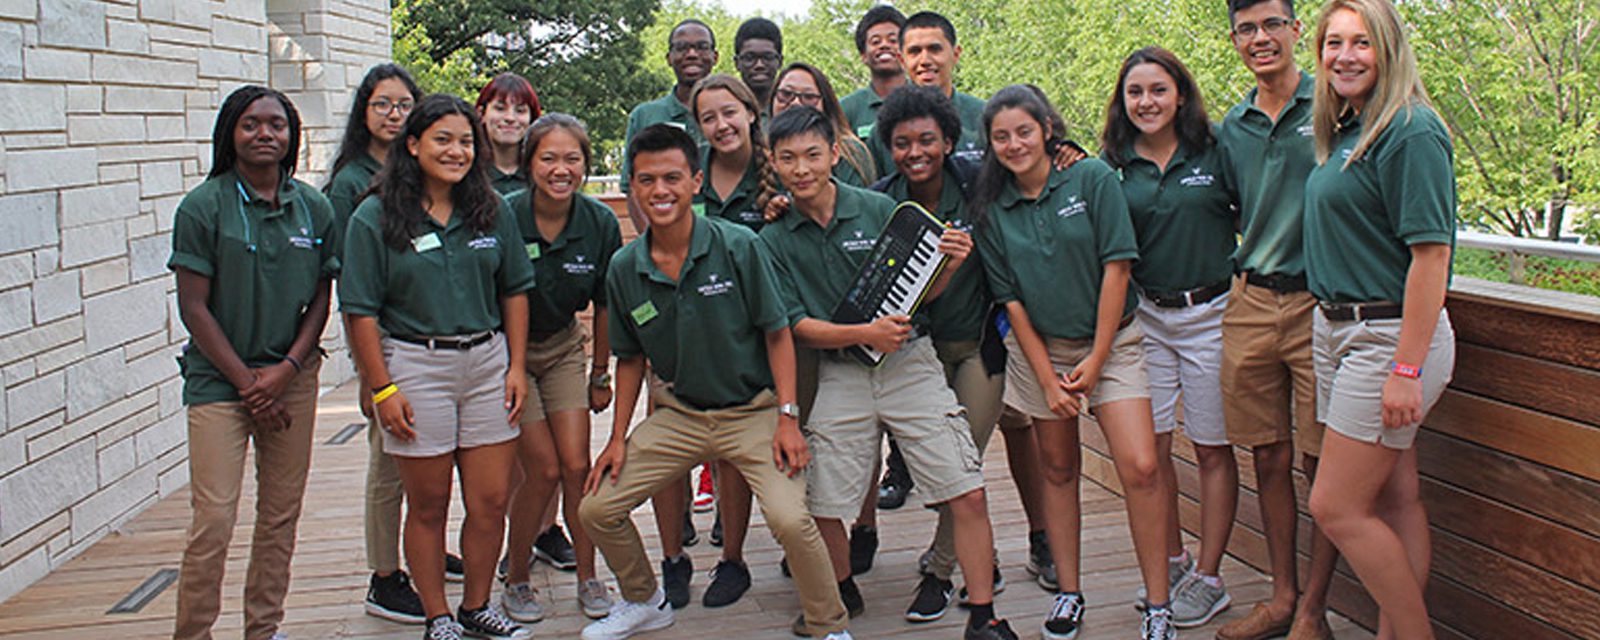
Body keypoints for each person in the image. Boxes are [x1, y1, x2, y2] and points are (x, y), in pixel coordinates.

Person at [576, 123, 852, 640]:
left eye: (673, 178)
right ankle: (645, 598)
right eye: (647, 180)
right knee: (597, 507)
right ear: (631, 187)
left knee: (792, 520)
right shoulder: (625, 267)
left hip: (754, 412)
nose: (661, 191)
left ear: (696, 182)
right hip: (680, 413)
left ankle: (829, 625)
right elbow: (631, 358)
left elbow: (778, 333)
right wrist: (616, 439)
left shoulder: (738, 246)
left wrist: (787, 418)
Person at [759, 106, 1017, 640]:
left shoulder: (882, 210)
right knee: (824, 501)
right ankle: (841, 590)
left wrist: (946, 266)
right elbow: (793, 325)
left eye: (812, 154)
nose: (802, 168)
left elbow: (919, 296)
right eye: (788, 158)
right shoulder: (773, 238)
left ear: (835, 154)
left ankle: (983, 615)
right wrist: (862, 335)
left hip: (909, 363)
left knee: (965, 487)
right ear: (774, 163)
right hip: (839, 372)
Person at [971, 85, 1175, 640]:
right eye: (1001, 137)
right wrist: (1047, 378)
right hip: (1042, 352)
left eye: (1024, 131)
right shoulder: (992, 208)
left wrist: (1098, 357)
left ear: (1047, 130)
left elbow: (1118, 266)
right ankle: (1069, 593)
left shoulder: (1090, 180)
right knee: (1057, 470)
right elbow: (1010, 303)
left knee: (1142, 467)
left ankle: (1159, 604)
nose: (1014, 144)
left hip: (1115, 344)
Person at [340, 94, 536, 640]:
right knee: (428, 503)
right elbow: (359, 309)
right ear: (412, 145)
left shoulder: (490, 208)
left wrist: (516, 366)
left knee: (491, 499)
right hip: (414, 366)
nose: (457, 151)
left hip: (486, 364)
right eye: (443, 139)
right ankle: (437, 617)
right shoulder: (374, 214)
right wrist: (381, 388)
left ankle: (476, 607)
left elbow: (515, 290)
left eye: (466, 141)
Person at [1303, 1, 1456, 638]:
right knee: (1393, 497)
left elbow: (1432, 255)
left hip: (1387, 337)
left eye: (1361, 42)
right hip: (1339, 329)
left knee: (1335, 505)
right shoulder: (1350, 129)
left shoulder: (1411, 131)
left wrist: (1405, 369)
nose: (1344, 56)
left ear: (1388, 49)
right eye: (1333, 42)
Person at [169, 85, 339, 640]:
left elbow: (321, 297)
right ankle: (193, 633)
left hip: (290, 378)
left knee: (280, 514)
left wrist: (286, 371)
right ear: (230, 133)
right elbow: (193, 306)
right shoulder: (203, 206)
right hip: (220, 382)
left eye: (277, 124)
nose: (265, 134)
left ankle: (263, 629)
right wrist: (248, 383)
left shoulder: (313, 207)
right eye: (251, 124)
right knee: (214, 519)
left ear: (292, 136)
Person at [1101, 46, 1240, 629]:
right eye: (1135, 92)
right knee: (1151, 452)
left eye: (1158, 90)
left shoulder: (1215, 151)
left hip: (1212, 313)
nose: (1147, 102)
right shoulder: (1114, 164)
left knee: (1211, 447)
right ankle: (1175, 558)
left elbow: (1255, 212)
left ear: (1180, 93)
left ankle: (1210, 577)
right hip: (1146, 322)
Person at [1213, 1, 1340, 638]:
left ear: (1296, 29)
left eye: (1271, 25)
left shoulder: (1335, 103)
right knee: (1267, 456)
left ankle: (1314, 612)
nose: (1259, 38)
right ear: (1234, 39)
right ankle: (1282, 596)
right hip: (1251, 302)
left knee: (1324, 467)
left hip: (1322, 302)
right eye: (1246, 29)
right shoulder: (1228, 126)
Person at [869, 84, 1015, 624]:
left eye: (927, 140)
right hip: (919, 351)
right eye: (903, 143)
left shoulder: (980, 184)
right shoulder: (883, 202)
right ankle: (982, 556)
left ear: (949, 141)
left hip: (980, 346)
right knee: (945, 468)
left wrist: (1066, 147)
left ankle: (939, 568)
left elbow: (1038, 156)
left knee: (964, 464)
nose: (916, 153)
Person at [322, 63, 441, 625]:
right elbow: (354, 285)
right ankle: (384, 575)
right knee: (388, 460)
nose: (393, 115)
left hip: (427, 338)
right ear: (363, 112)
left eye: (402, 105)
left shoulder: (419, 171)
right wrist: (371, 374)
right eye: (382, 104)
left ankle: (422, 552)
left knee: (424, 455)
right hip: (385, 341)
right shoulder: (352, 182)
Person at [498, 113, 622, 622]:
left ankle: (591, 577)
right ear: (529, 164)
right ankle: (518, 575)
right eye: (548, 157)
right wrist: (507, 366)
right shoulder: (504, 214)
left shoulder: (599, 222)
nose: (561, 168)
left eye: (572, 158)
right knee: (542, 469)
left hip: (566, 348)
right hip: (511, 356)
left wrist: (600, 372)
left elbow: (607, 303)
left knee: (576, 465)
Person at [620, 19, 718, 233]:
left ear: (715, 57)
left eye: (701, 47)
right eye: (681, 48)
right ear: (669, 58)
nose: (692, 54)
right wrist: (654, 243)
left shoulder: (727, 115)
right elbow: (632, 189)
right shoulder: (645, 115)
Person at [771, 62, 879, 187]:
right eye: (786, 94)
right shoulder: (756, 150)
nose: (795, 103)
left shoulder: (851, 153)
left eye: (808, 97)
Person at [839, 4, 908, 135]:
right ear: (863, 55)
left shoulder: (927, 100)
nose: (885, 45)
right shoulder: (846, 109)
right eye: (876, 42)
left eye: (893, 40)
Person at [476, 73, 543, 196]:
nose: (510, 118)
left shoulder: (542, 175)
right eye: (500, 108)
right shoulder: (467, 173)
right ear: (481, 114)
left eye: (520, 110)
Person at [733, 18, 783, 111]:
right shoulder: (724, 110)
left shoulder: (791, 109)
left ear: (780, 62)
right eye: (749, 58)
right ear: (737, 63)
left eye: (768, 57)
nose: (759, 65)